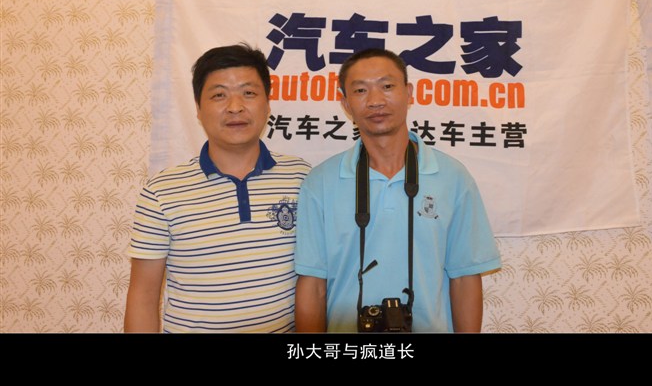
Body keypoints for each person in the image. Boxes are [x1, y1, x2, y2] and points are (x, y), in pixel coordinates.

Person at [294, 48, 501, 333]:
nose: (376, 100)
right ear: (345, 103)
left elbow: (465, 278)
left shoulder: (453, 177)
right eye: (360, 90)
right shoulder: (320, 182)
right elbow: (313, 284)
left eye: (387, 86)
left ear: (409, 93)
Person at [124, 43, 311, 333]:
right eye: (219, 95)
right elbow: (143, 296)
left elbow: (316, 280)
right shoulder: (161, 191)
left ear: (267, 104)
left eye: (249, 93)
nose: (235, 107)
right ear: (198, 109)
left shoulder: (302, 177)